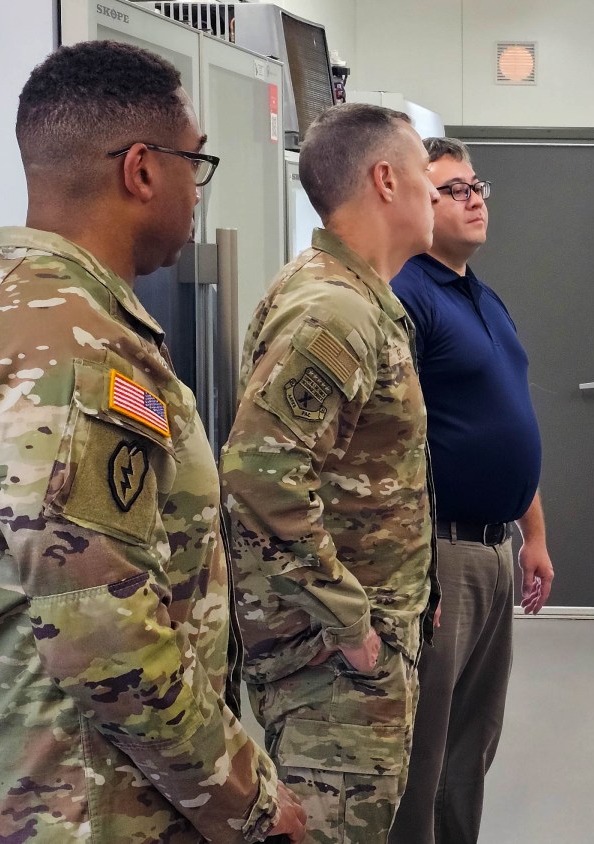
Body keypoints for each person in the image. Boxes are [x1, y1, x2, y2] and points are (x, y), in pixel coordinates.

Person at [0, 41, 305, 843]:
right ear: (142, 170)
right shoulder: (69, 338)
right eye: (196, 163)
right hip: (84, 801)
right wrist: (246, 800)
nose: (196, 191)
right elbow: (101, 629)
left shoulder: (2, 302)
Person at [219, 103, 439, 843]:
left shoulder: (360, 299)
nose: (435, 192)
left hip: (359, 643)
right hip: (331, 666)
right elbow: (261, 476)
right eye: (424, 174)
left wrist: (416, 594)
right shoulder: (334, 310)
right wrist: (350, 621)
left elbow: (367, 470)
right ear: (385, 180)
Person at [386, 137, 555, 844]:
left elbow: (506, 420)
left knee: (472, 743)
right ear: (416, 202)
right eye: (452, 189)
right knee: (425, 747)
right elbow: (392, 440)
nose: (473, 198)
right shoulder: (407, 297)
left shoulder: (484, 299)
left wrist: (534, 533)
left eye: (476, 185)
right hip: (441, 551)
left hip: (493, 547)